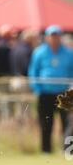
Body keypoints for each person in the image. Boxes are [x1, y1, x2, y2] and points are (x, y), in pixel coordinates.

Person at [28, 25, 73, 153]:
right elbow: (33, 72)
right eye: (52, 36)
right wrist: (37, 89)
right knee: (46, 123)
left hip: (65, 94)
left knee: (68, 123)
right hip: (45, 94)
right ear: (47, 37)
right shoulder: (39, 52)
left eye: (57, 36)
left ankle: (68, 150)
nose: (54, 38)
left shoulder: (69, 53)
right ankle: (46, 151)